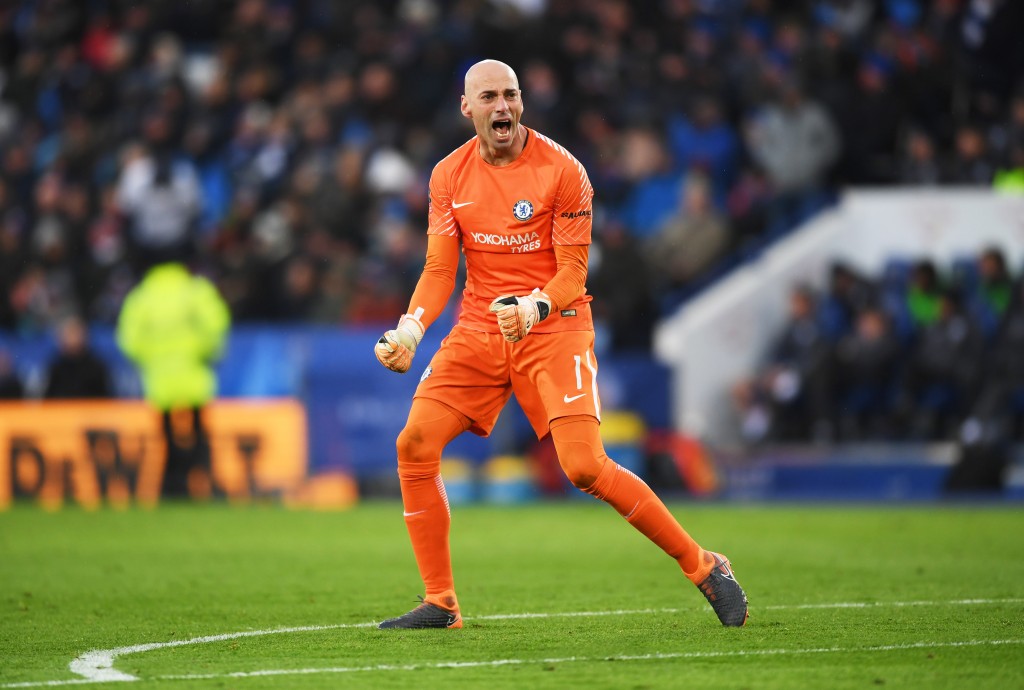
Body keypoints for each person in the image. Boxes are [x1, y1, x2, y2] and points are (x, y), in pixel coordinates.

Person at [373, 60, 748, 630]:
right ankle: (440, 602)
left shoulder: (563, 171)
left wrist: (534, 306)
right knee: (414, 445)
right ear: (467, 109)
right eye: (489, 98)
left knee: (583, 467)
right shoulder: (448, 176)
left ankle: (703, 565)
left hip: (554, 324)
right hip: (480, 328)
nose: (502, 107)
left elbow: (574, 272)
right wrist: (410, 330)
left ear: (521, 102)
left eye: (511, 95)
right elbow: (437, 269)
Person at [116, 260, 230, 498]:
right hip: (194, 374)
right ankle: (206, 483)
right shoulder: (195, 291)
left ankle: (171, 487)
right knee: (199, 433)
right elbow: (217, 324)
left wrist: (152, 357)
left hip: (160, 379)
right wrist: (204, 352)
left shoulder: (142, 296)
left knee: (166, 437)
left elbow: (128, 339)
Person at [43, 315, 112, 399]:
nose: (73, 338)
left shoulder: (96, 367)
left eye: (76, 332)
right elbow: (48, 399)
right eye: (69, 333)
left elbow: (105, 399)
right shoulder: (56, 367)